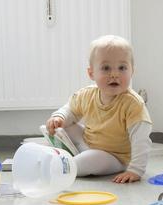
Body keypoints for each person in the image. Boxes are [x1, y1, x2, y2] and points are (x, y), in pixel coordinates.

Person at [45, 35, 152, 183]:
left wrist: (135, 170)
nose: (114, 74)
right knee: (61, 126)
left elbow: (141, 140)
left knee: (89, 160)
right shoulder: (87, 94)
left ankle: (60, 166)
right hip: (88, 142)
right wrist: (60, 117)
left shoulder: (133, 104)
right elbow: (70, 110)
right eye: (106, 68)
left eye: (122, 68)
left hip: (114, 157)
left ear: (132, 71)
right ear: (91, 73)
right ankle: (71, 153)